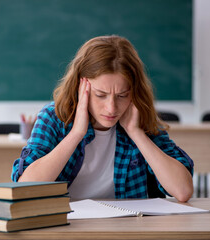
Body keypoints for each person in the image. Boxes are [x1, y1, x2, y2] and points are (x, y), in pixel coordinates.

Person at [12, 35, 194, 202]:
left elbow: (183, 191)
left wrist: (136, 133)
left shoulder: (140, 117)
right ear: (81, 87)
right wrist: (76, 134)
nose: (112, 108)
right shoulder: (53, 117)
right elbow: (25, 186)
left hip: (125, 227)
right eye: (100, 95)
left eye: (122, 95)